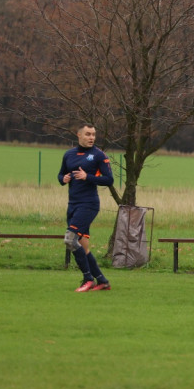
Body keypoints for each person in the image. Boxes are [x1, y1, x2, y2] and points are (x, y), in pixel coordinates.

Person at [58, 123, 114, 292]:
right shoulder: (69, 154)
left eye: (94, 134)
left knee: (70, 239)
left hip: (89, 204)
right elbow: (60, 174)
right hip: (73, 205)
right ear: (79, 135)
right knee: (83, 247)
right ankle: (102, 281)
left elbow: (109, 180)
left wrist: (87, 176)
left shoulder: (98, 155)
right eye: (88, 134)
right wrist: (64, 179)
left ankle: (87, 279)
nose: (92, 138)